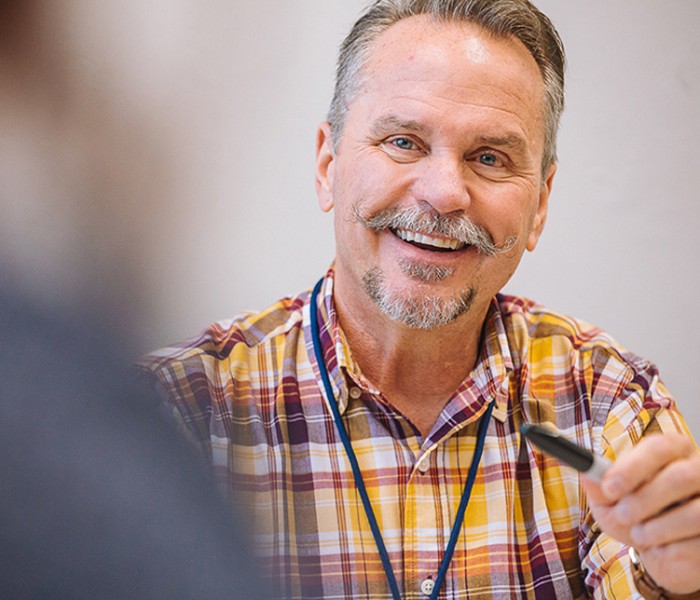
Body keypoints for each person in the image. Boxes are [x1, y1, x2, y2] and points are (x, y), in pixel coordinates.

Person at [137, 1, 700, 598]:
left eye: (489, 158)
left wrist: (677, 580)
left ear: (540, 204)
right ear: (327, 165)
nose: (443, 193)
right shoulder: (175, 417)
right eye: (403, 141)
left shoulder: (606, 401)